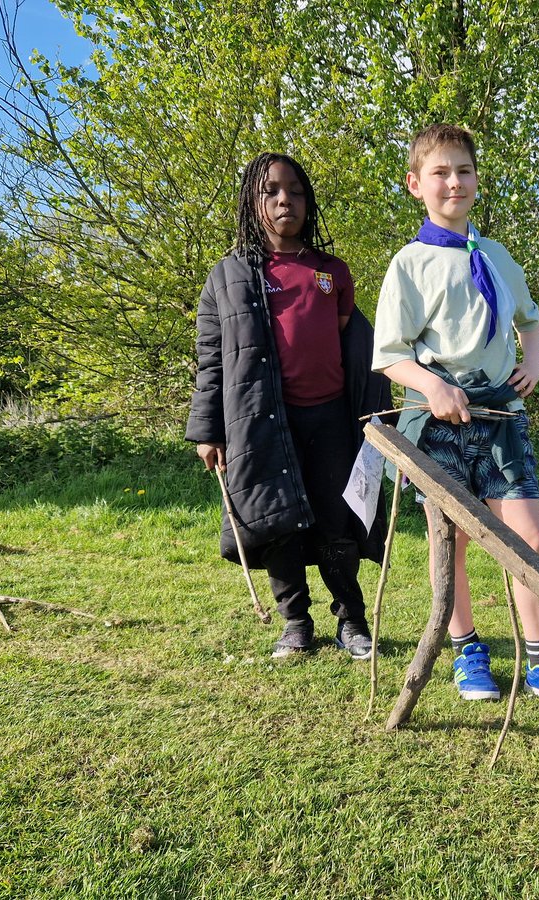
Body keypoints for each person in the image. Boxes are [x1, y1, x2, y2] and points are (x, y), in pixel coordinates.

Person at [372, 124, 539, 713]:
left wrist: (534, 362)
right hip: (438, 424)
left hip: (501, 416)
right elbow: (390, 355)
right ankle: (467, 650)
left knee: (530, 537)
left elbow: (530, 317)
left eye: (463, 171)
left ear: (476, 179)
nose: (454, 182)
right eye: (440, 173)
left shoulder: (495, 255)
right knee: (455, 542)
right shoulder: (410, 264)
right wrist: (433, 386)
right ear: (416, 185)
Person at [186, 152, 389, 661]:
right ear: (252, 202)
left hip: (331, 418)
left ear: (309, 201)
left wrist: (377, 418)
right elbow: (212, 360)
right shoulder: (227, 277)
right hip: (261, 422)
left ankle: (352, 621)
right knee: (276, 522)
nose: (285, 201)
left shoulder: (331, 272)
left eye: (295, 191)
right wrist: (208, 430)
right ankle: (296, 624)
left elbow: (356, 345)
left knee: (337, 521)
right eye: (271, 191)